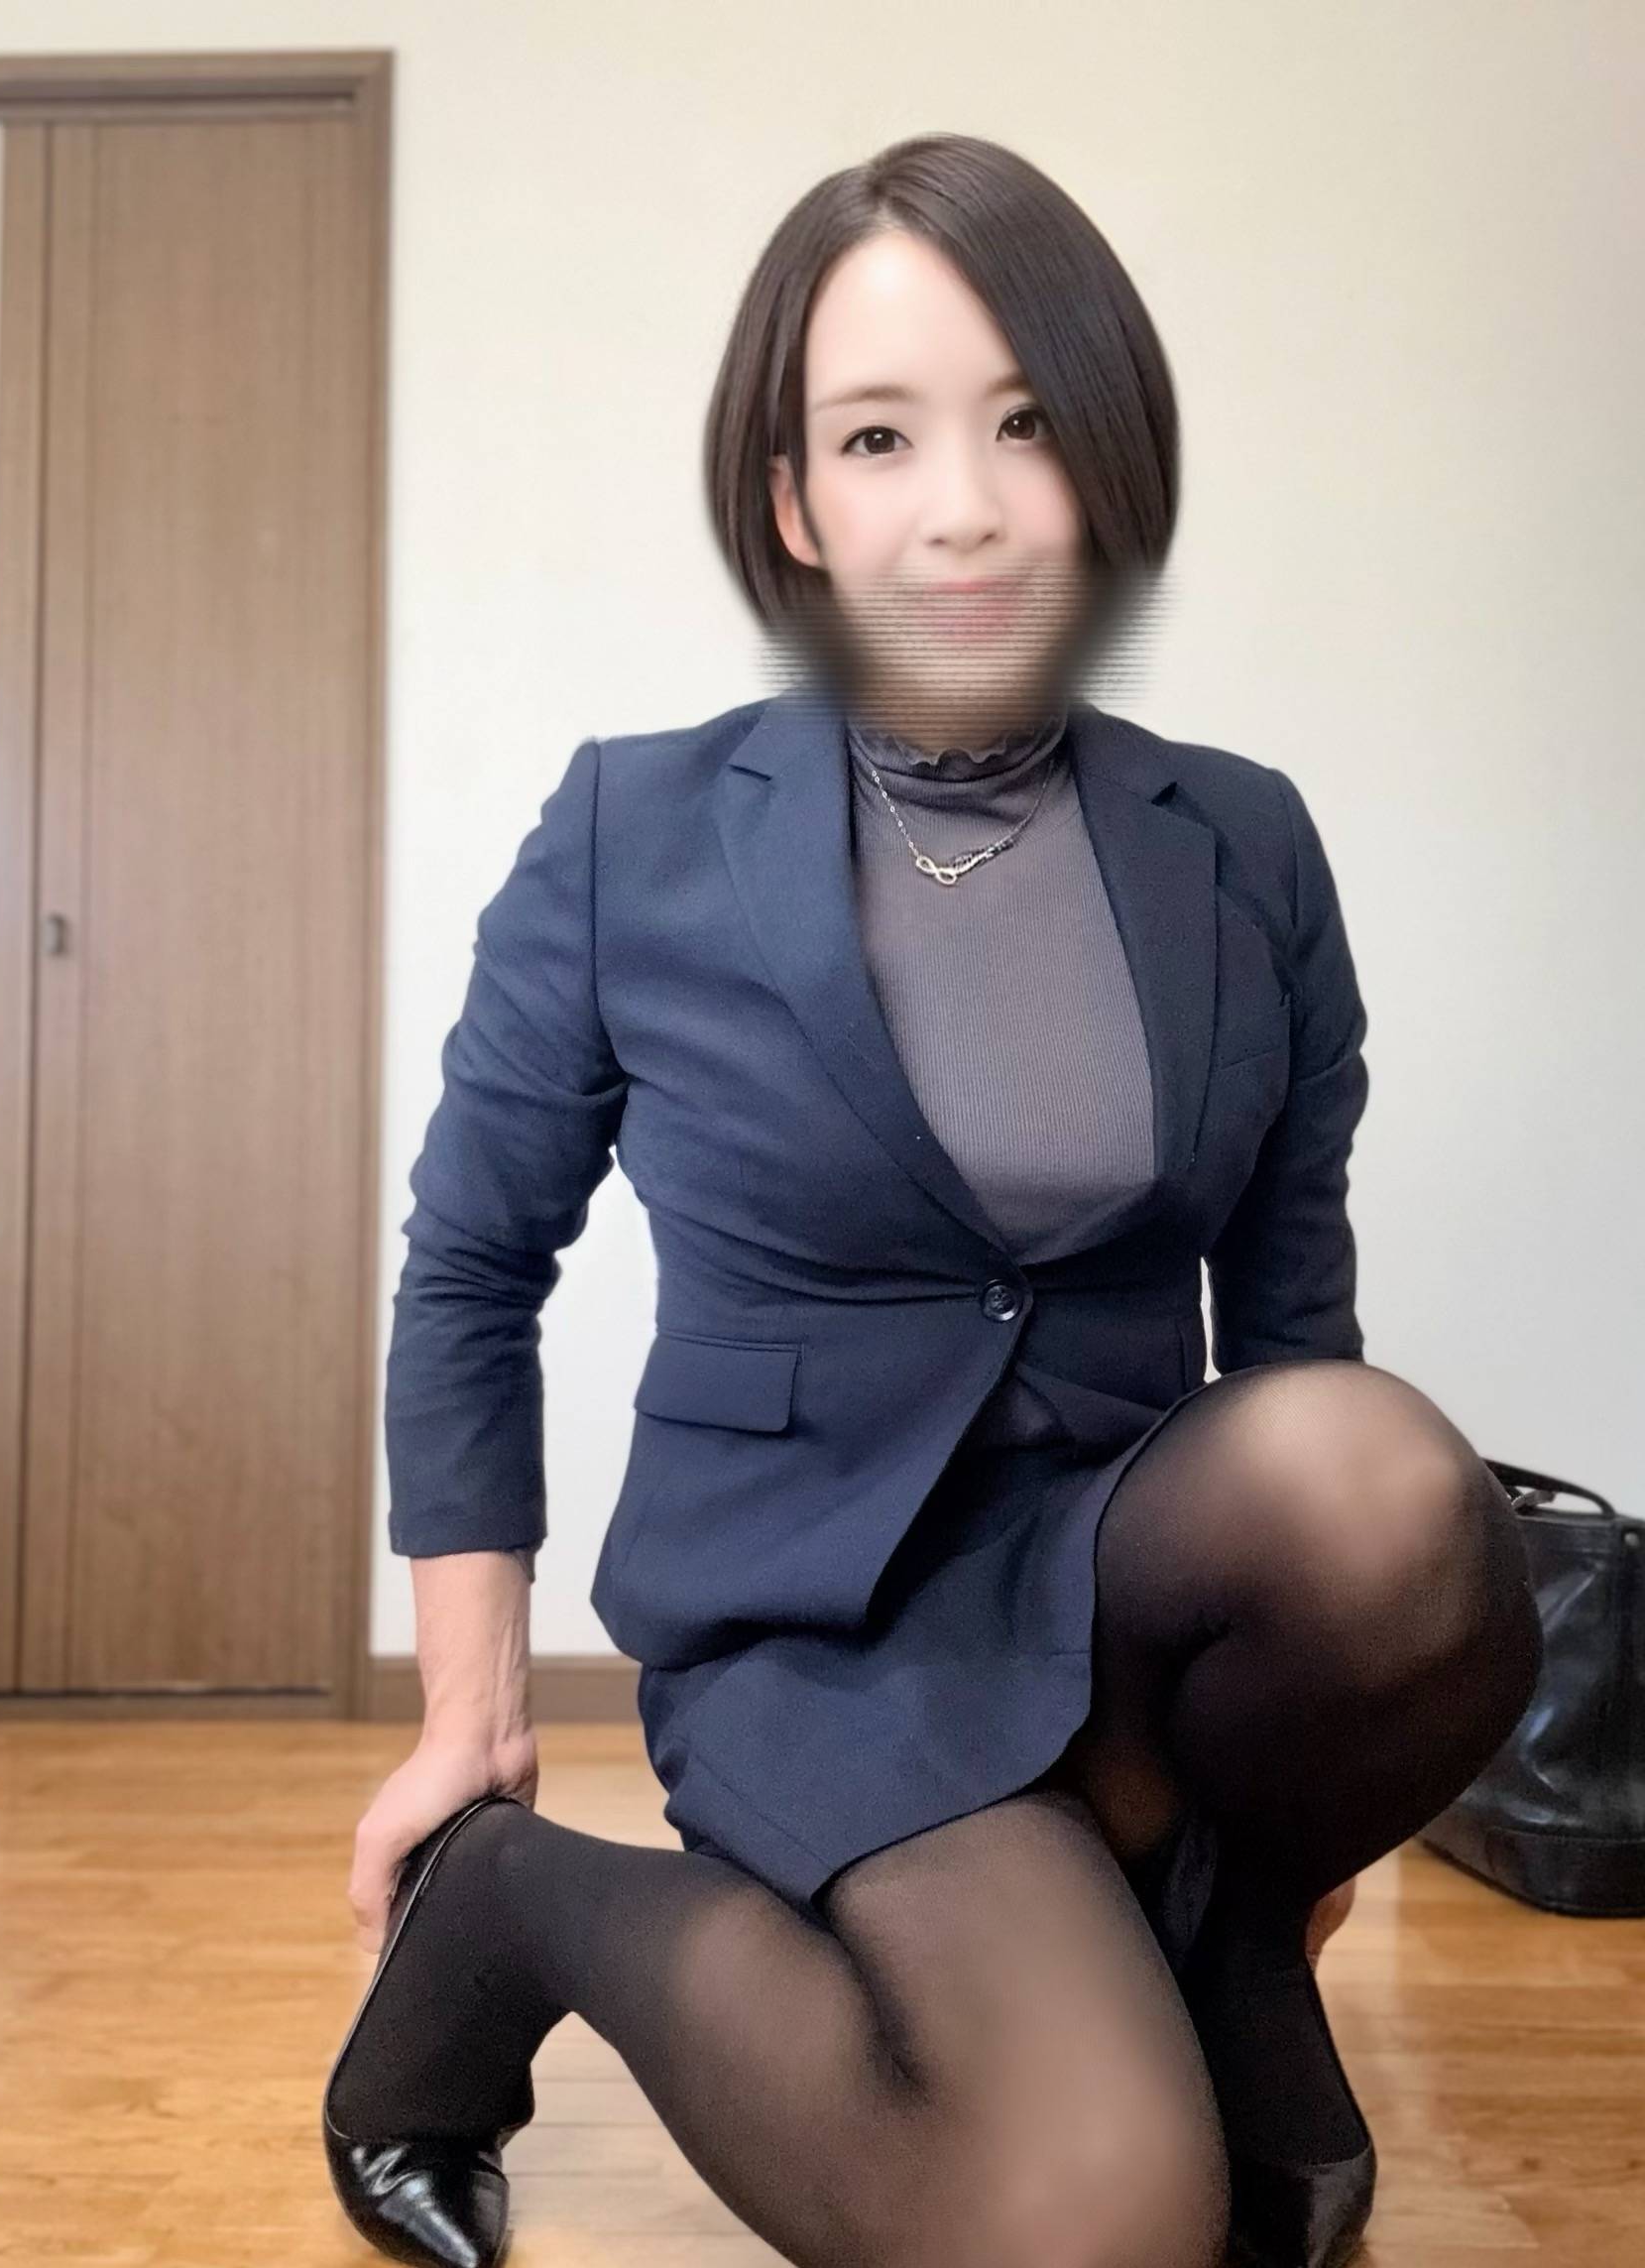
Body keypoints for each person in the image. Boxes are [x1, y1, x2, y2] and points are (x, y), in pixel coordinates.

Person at [322, 132, 1545, 2268]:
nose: (963, 506)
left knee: (1388, 1492)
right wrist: (471, 1713)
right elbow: (471, 1270)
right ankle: (516, 1908)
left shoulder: (1242, 841)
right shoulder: (633, 835)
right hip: (821, 1631)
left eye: (1027, 423)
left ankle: (1223, 1934)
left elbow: (1291, 1320)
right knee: (1091, 2220)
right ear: (797, 502)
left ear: (1109, 467)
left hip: (1116, 1590)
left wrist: (1296, 1808)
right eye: (880, 436)